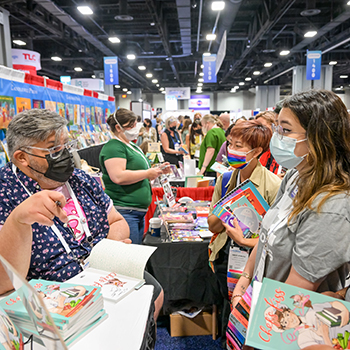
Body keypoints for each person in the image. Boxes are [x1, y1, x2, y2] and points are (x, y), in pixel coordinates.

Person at [0, 109, 164, 320]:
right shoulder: (6, 193)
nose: (67, 154)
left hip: (103, 275)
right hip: (51, 296)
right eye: (54, 149)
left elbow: (115, 220)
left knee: (154, 294)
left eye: (68, 145)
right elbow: (5, 282)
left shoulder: (79, 179)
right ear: (22, 157)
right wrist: (18, 220)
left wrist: (110, 252)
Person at [230, 90, 350, 314]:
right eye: (277, 128)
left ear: (318, 137)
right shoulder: (296, 176)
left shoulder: (331, 204)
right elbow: (266, 235)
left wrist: (253, 316)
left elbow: (299, 286)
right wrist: (244, 280)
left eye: (285, 130)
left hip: (286, 318)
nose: (277, 138)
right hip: (260, 298)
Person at [207, 120, 281, 344]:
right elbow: (212, 224)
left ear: (257, 151)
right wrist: (231, 207)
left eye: (239, 146)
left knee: (246, 312)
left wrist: (243, 240)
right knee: (226, 304)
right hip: (224, 255)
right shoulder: (226, 178)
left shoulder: (274, 185)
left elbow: (275, 240)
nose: (231, 150)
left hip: (252, 261)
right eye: (230, 144)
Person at [99, 108, 169, 245]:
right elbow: (118, 176)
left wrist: (156, 170)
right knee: (129, 255)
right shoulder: (114, 146)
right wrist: (148, 173)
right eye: (130, 126)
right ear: (118, 127)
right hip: (124, 209)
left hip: (135, 211)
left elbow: (139, 172)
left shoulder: (131, 145)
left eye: (135, 124)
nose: (134, 129)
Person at [255, 111, 284, 177]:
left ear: (275, 127)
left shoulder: (283, 150)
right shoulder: (259, 149)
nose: (258, 131)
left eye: (262, 126)